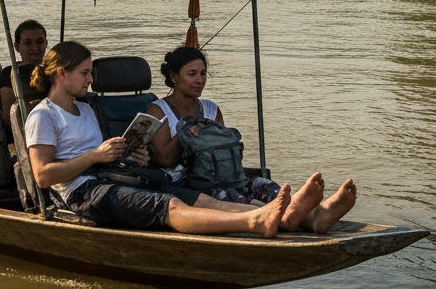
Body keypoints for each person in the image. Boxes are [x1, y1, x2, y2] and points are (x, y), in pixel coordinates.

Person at [23, 41, 350, 238]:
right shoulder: (43, 115)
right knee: (169, 203)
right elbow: (43, 175)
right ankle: (255, 220)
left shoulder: (88, 109)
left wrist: (127, 155)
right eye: (84, 73)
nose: (91, 79)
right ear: (61, 74)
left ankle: (306, 216)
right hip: (84, 192)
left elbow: (103, 154)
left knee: (198, 198)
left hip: (113, 175)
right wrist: (96, 156)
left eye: (91, 72)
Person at [146, 46, 356, 233]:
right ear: (173, 76)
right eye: (191, 74)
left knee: (264, 186)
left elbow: (226, 150)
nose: (199, 80)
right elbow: (165, 160)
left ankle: (315, 216)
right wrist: (186, 129)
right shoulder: (158, 110)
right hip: (188, 181)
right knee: (230, 196)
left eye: (203, 73)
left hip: (224, 174)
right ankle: (296, 218)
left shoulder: (211, 108)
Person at [0, 19, 48, 118]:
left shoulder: (51, 72)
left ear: (46, 43)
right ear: (17, 46)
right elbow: (9, 116)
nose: (35, 47)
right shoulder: (10, 74)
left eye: (40, 42)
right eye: (28, 43)